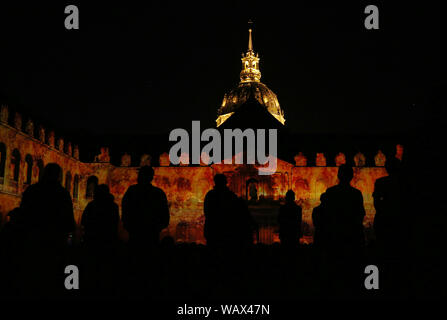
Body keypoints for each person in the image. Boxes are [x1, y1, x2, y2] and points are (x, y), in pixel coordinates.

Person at [122, 166, 169, 249]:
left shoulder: (132, 191)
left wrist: (129, 226)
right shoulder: (158, 193)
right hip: (152, 234)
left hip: (135, 233)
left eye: (140, 175)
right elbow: (165, 216)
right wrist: (157, 227)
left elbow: (125, 211)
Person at [322, 164, 366, 250]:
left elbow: (326, 214)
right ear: (351, 176)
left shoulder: (331, 192)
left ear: (338, 175)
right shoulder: (356, 193)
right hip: (352, 236)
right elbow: (360, 214)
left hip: (334, 235)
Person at [204, 174, 254, 247]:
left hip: (213, 231)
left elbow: (207, 212)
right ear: (225, 182)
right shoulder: (230, 196)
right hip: (227, 232)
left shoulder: (210, 195)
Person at [81, 184, 119, 248]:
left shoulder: (91, 205)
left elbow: (84, 220)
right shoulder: (113, 206)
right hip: (108, 239)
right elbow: (115, 222)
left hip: (92, 239)